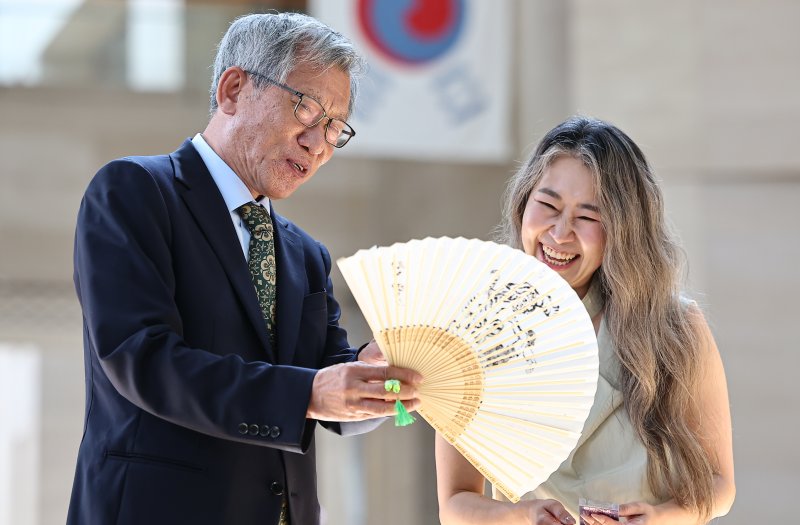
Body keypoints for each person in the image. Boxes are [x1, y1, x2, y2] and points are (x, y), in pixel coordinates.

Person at [67, 12, 421, 525]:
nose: (318, 144)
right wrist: (307, 394)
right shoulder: (134, 191)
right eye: (307, 108)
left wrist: (377, 370)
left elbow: (328, 380)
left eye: (334, 128)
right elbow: (141, 358)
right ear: (234, 89)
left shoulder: (306, 254)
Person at [436, 116, 735, 525]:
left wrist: (656, 517)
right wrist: (523, 517)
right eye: (548, 205)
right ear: (523, 204)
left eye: (587, 217)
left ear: (622, 230)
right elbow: (454, 503)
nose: (560, 233)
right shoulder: (477, 332)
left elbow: (719, 485)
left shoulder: (674, 326)